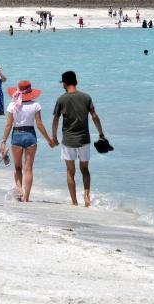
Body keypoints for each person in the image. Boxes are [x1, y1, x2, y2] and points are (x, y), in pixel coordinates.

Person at [52, 71, 105, 207]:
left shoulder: (61, 99)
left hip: (68, 141)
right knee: (85, 170)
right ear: (76, 81)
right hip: (84, 140)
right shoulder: (86, 97)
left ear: (64, 83)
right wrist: (101, 134)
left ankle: (74, 202)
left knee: (70, 171)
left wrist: (54, 136)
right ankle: (87, 198)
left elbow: (56, 119)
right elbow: (94, 116)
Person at [0, 80, 54, 202]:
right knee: (28, 168)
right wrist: (49, 140)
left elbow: (8, 125)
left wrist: (3, 141)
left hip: (17, 135)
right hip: (30, 135)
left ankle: (20, 191)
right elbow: (39, 125)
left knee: (18, 167)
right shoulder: (35, 105)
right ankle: (26, 198)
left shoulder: (12, 105)